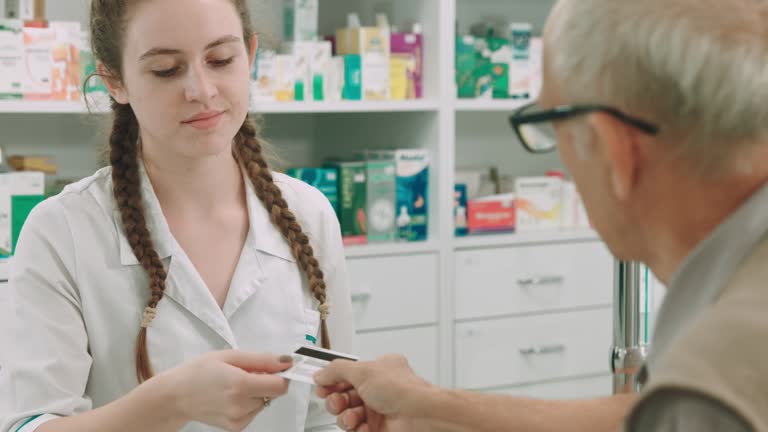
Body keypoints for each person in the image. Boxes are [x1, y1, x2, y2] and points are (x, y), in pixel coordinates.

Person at [315, 0, 768, 431]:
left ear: (612, 149)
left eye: (551, 127)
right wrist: (434, 409)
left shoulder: (715, 383)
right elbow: (639, 419)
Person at [0, 0, 354, 431]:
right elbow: (30, 425)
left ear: (251, 56)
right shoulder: (61, 232)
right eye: (166, 69)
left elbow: (326, 419)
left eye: (221, 59)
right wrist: (170, 402)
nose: (202, 90)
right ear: (114, 81)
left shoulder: (309, 214)